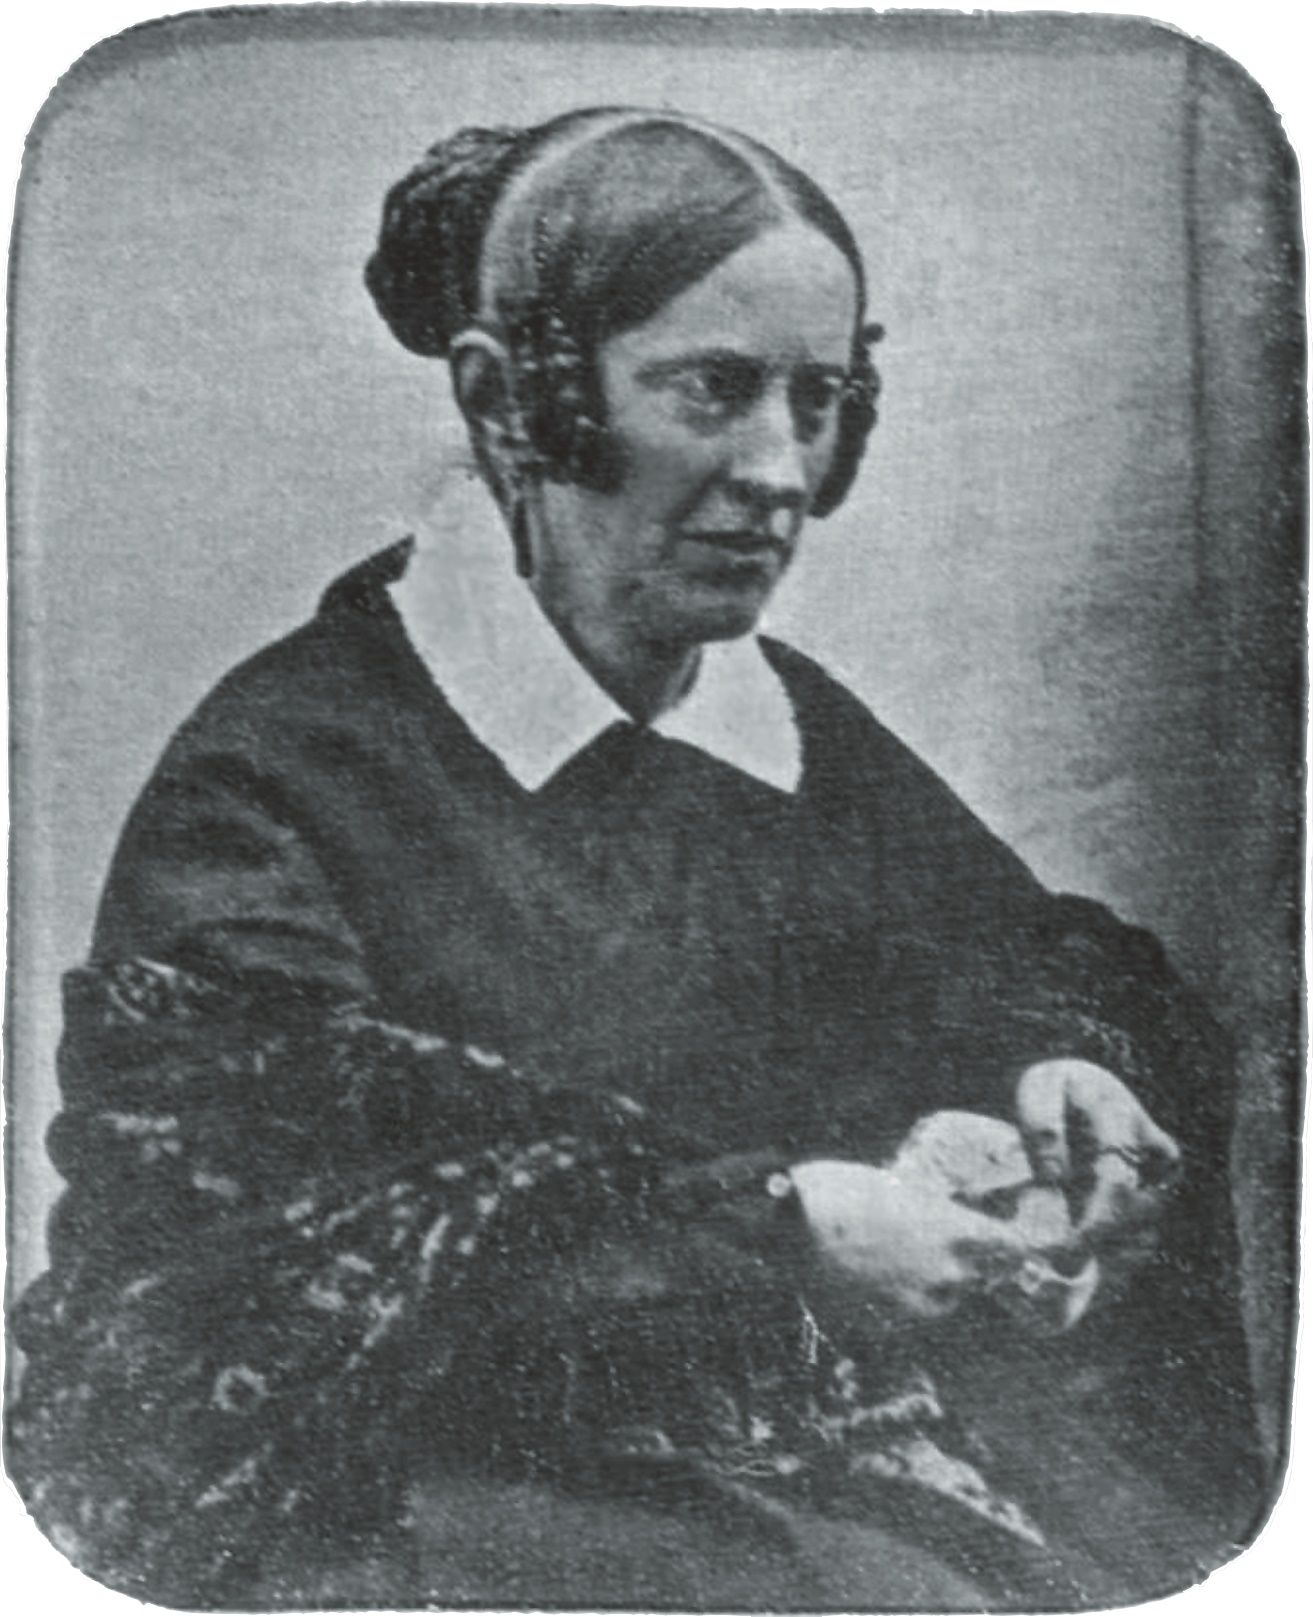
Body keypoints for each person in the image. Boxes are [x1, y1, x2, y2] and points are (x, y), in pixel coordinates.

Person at [10, 107, 1262, 1608]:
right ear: (507, 400)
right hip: (442, 1497)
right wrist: (780, 1231)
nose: (780, 469)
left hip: (819, 1447)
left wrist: (1063, 1068)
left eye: (819, 399)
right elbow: (236, 1264)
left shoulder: (787, 729)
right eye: (714, 390)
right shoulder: (285, 767)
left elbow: (1011, 956)